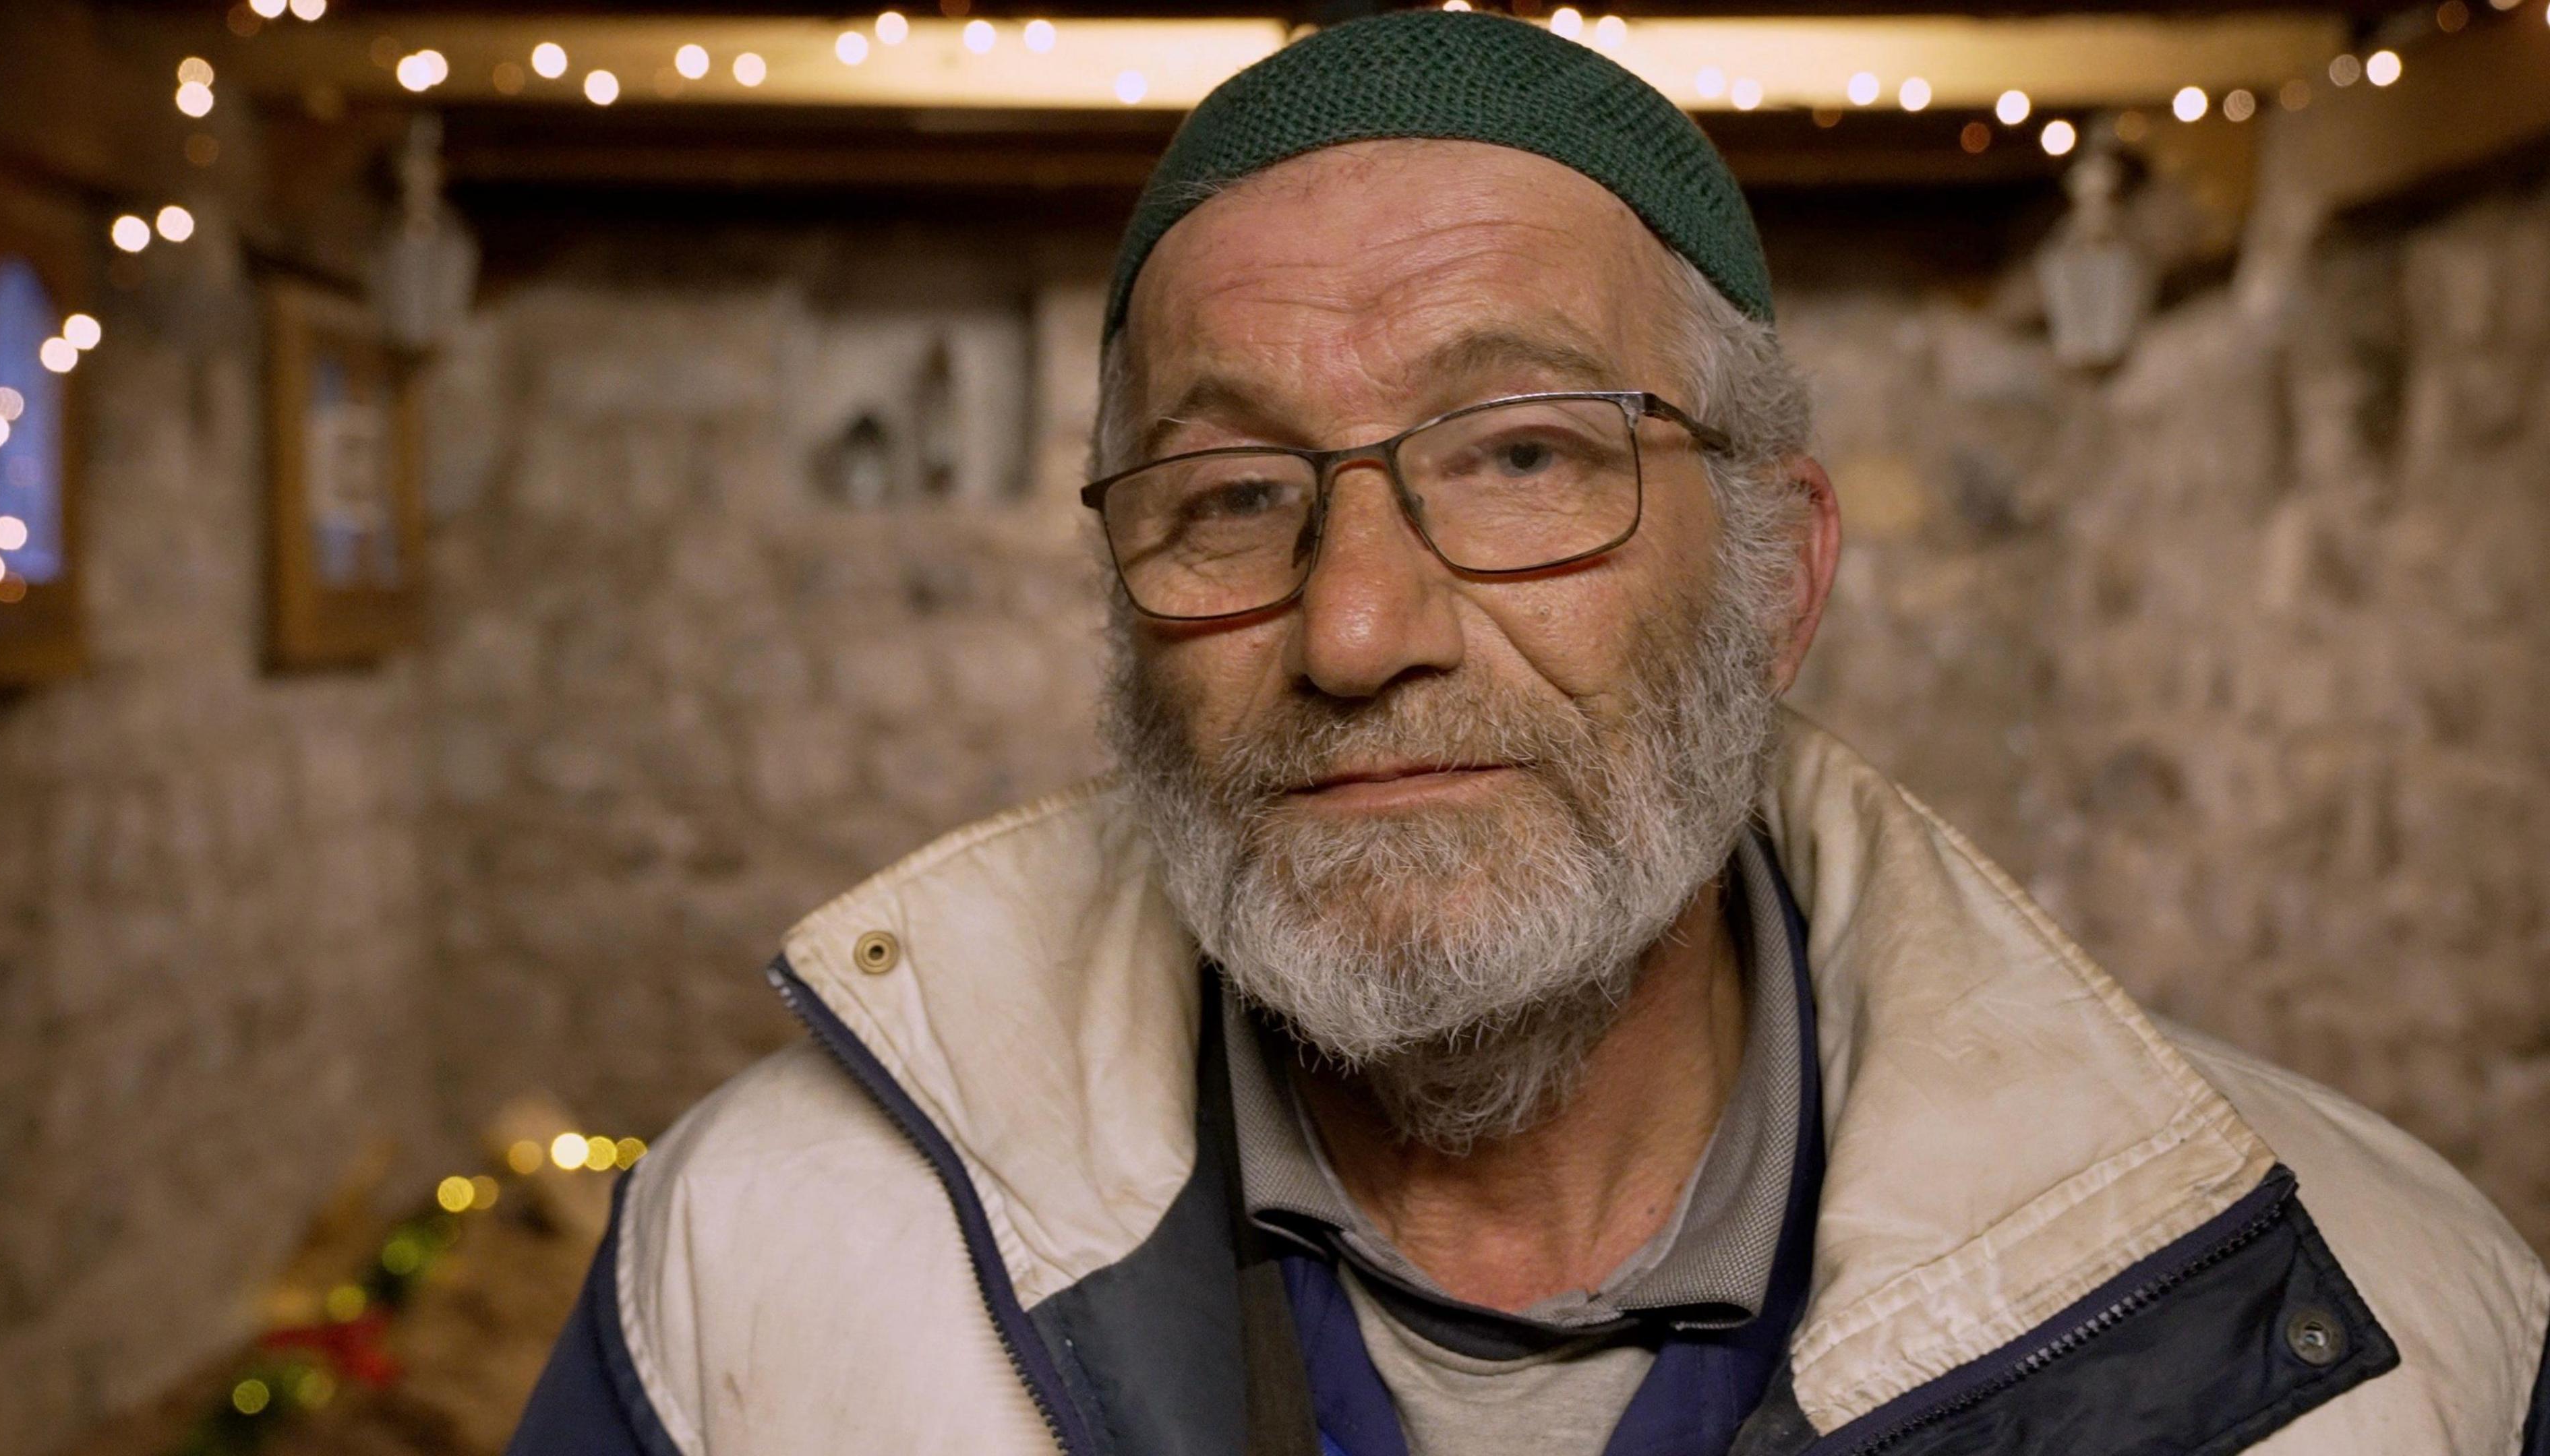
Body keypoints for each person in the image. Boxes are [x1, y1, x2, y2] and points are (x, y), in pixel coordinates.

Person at [506, 12, 2550, 1455]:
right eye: (1230, 495)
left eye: (1518, 457)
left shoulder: (2369, 1325)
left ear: (1775, 569)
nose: (1359, 624)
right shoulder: (758, 1271)